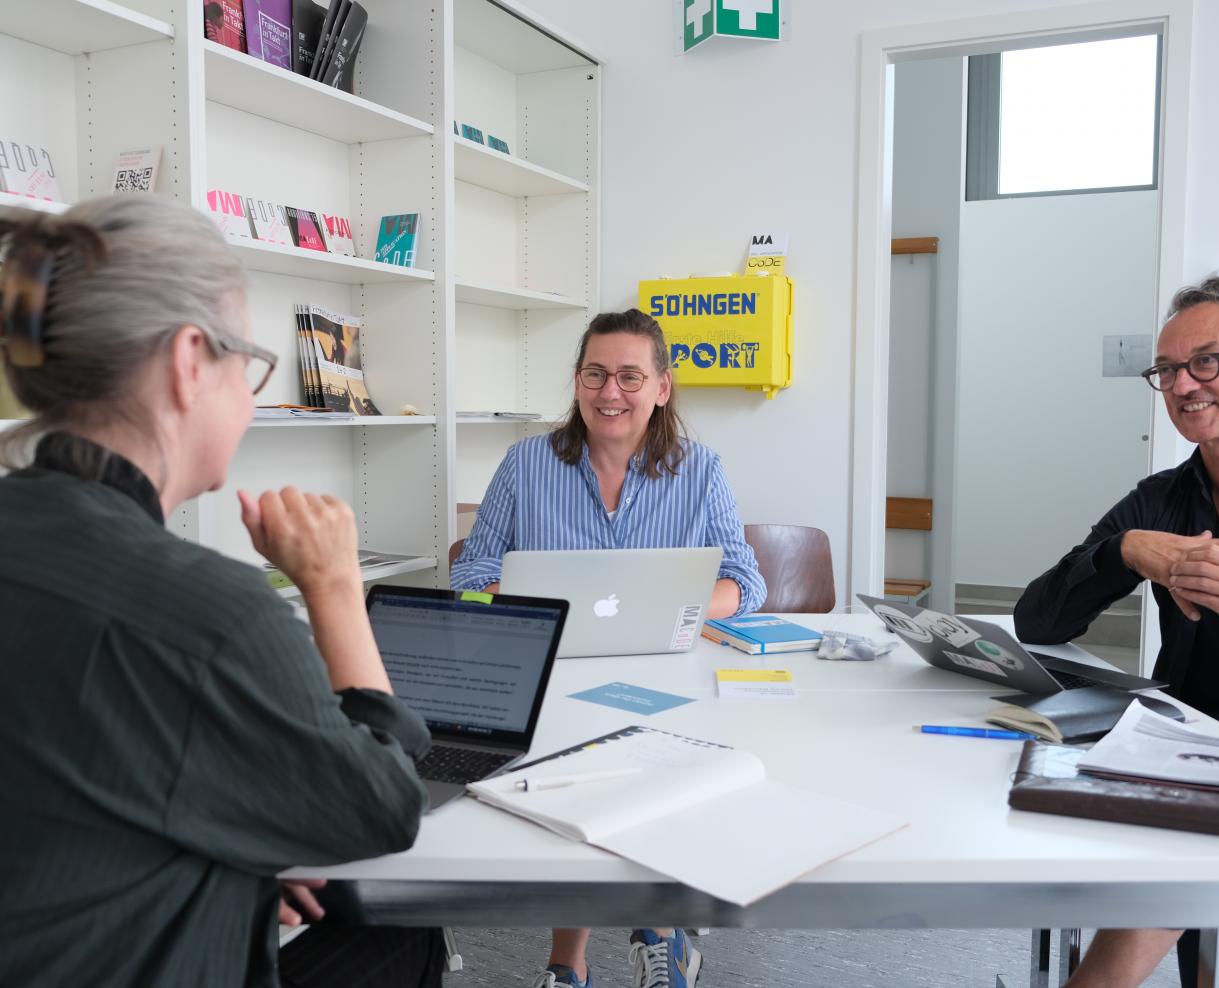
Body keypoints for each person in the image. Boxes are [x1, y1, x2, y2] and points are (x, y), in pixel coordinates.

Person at [0, 196, 442, 987]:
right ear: (188, 361)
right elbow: (381, 813)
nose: (248, 396)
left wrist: (228, 852)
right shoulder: (214, 618)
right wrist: (334, 586)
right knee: (403, 935)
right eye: (248, 366)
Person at [1014, 274, 1219, 988]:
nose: (1184, 386)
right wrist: (1126, 551)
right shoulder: (1160, 501)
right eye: (1168, 371)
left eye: (1206, 361)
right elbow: (1039, 618)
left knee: (1198, 864)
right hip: (1190, 747)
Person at [451, 307, 767, 988]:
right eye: (595, 374)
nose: (609, 392)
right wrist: (529, 607)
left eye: (629, 375)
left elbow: (746, 583)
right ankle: (568, 964)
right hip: (557, 669)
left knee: (669, 772)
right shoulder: (526, 463)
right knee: (578, 786)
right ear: (576, 381)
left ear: (662, 387)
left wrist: (675, 613)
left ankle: (660, 929)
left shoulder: (701, 470)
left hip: (667, 668)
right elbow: (471, 578)